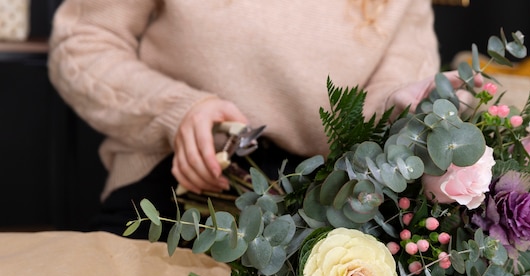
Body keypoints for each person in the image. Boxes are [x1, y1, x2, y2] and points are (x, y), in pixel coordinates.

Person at [48, 0, 467, 236]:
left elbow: (383, 99)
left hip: (320, 213)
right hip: (172, 189)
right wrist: (176, 110)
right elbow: (81, 44)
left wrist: (402, 106)